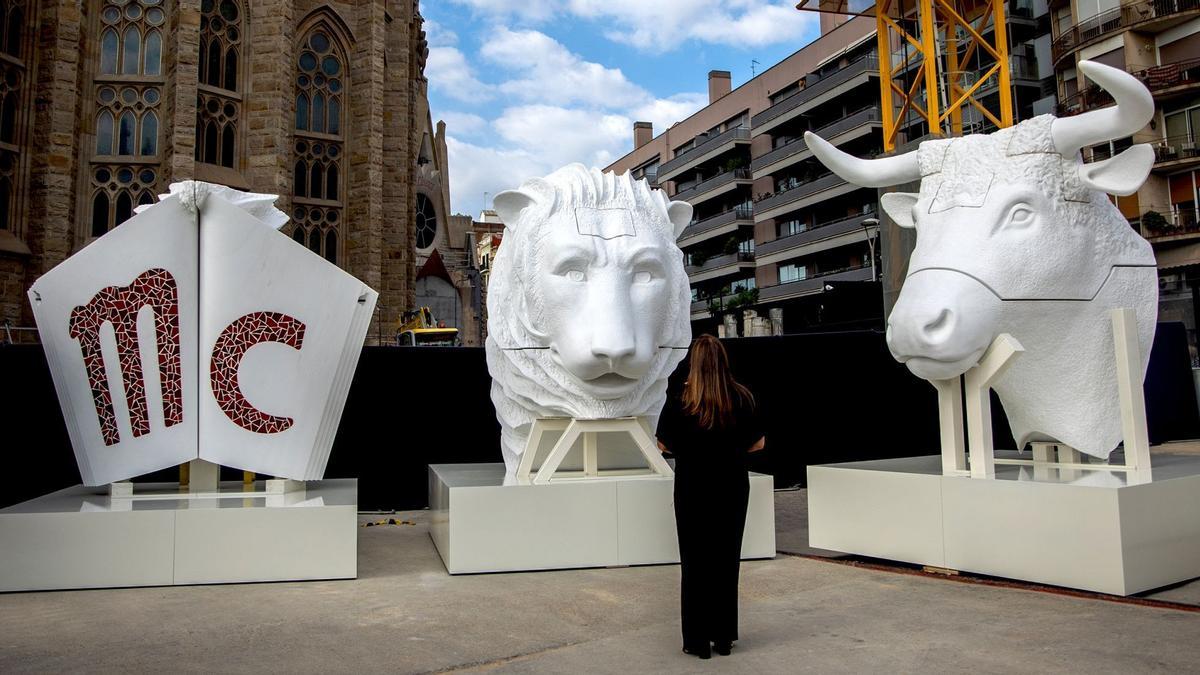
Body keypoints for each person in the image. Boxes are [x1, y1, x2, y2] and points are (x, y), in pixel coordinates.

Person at [655, 334, 765, 659]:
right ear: (722, 362)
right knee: (726, 561)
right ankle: (724, 637)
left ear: (694, 364)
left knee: (694, 563)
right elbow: (758, 444)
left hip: (692, 488)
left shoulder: (680, 401)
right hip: (731, 487)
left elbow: (663, 445)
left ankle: (698, 641)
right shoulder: (742, 398)